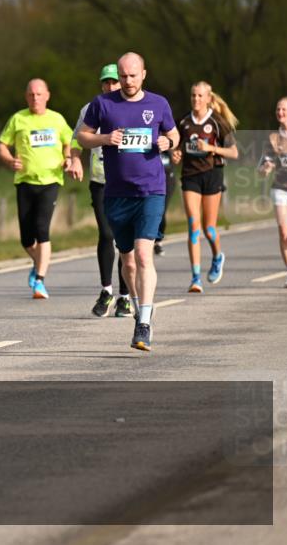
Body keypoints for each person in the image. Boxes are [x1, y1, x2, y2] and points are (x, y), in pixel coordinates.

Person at [76, 52, 180, 351]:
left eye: (133, 76)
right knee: (128, 261)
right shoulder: (103, 104)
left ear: (143, 74)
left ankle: (144, 323)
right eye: (123, 76)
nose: (127, 81)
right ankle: (137, 309)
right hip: (117, 194)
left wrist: (167, 142)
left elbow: (173, 134)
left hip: (151, 190)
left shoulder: (158, 104)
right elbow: (82, 137)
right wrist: (105, 139)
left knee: (144, 256)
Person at [0, 78, 76, 300]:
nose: (35, 98)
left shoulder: (57, 119)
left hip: (50, 181)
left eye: (39, 94)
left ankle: (39, 280)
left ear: (47, 95)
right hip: (24, 181)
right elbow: (2, 145)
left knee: (42, 229)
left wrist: (68, 157)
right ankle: (39, 262)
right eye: (31, 94)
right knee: (26, 239)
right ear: (26, 96)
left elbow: (70, 141)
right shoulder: (18, 119)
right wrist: (10, 160)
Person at [71, 64, 133, 318]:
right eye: (106, 82)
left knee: (125, 241)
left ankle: (125, 297)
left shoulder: (133, 108)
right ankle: (106, 291)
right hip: (101, 182)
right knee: (106, 235)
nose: (110, 86)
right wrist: (74, 159)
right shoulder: (91, 109)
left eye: (114, 82)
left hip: (128, 182)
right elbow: (77, 139)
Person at [172, 82, 239, 293]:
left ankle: (218, 256)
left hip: (212, 175)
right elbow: (176, 146)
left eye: (200, 96)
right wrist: (176, 154)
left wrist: (210, 147)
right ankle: (195, 278)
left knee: (209, 229)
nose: (196, 100)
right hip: (190, 176)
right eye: (193, 96)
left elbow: (234, 153)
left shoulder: (218, 123)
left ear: (209, 98)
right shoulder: (183, 122)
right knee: (193, 225)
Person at [258, 96, 287, 289]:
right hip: (281, 189)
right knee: (283, 231)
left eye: (284, 109)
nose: (280, 113)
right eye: (278, 109)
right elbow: (263, 167)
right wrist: (266, 168)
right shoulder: (273, 138)